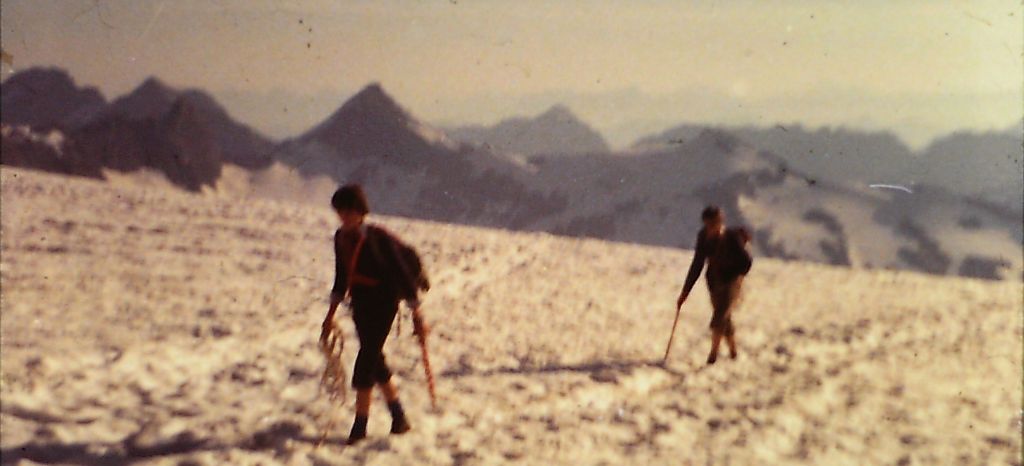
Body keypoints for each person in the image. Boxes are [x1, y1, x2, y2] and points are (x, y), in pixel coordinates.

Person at [320, 184, 430, 445]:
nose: (344, 217)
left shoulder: (377, 238)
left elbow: (403, 275)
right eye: (341, 212)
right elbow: (341, 279)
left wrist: (417, 312)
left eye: (349, 212)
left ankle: (360, 427)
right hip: (360, 304)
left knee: (365, 361)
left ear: (360, 211)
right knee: (375, 361)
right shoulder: (341, 238)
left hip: (383, 303)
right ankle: (399, 418)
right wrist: (330, 315)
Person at [676, 206, 753, 365]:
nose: (711, 228)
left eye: (714, 224)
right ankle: (733, 351)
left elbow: (746, 262)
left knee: (719, 316)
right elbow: (697, 264)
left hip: (732, 282)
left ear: (720, 222)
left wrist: (735, 276)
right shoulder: (703, 237)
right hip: (714, 281)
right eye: (708, 224)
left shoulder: (731, 237)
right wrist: (685, 292)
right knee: (724, 316)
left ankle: (713, 355)